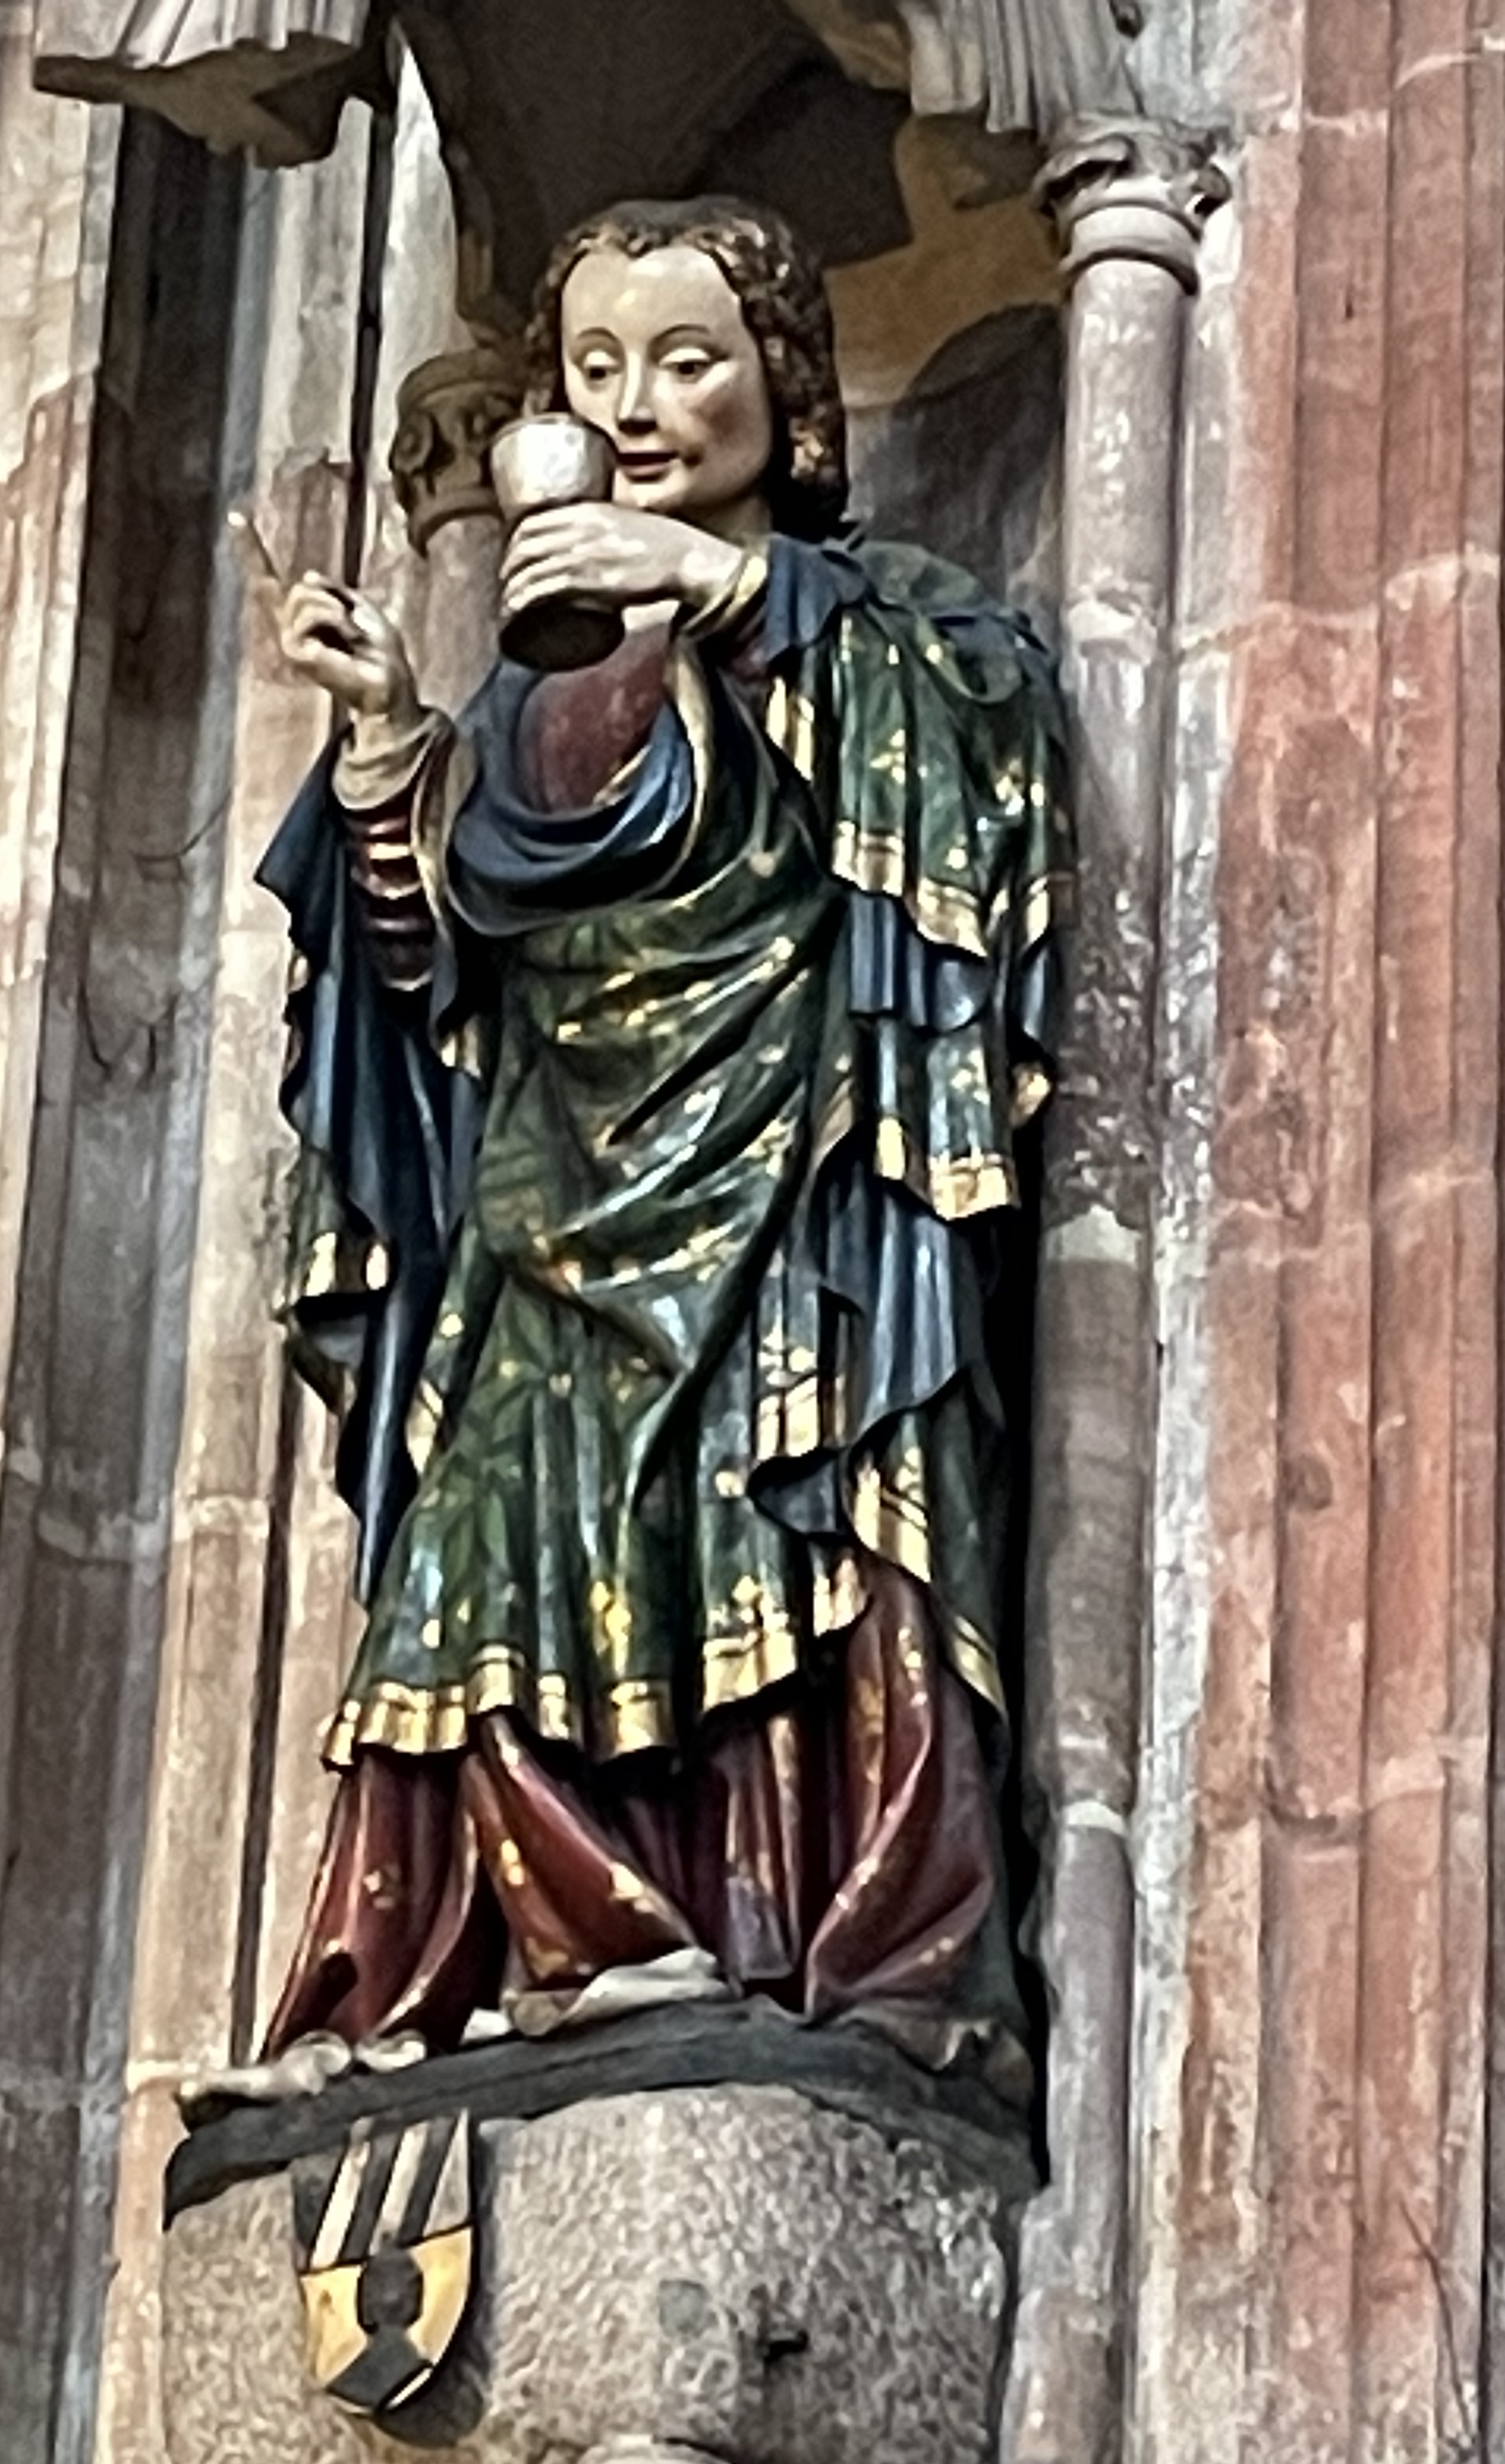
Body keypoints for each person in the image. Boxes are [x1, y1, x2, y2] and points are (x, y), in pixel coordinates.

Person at [255, 195, 1071, 2091]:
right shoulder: (533, 691)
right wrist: (383, 748)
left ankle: (815, 1946)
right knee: (475, 1553)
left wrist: (720, 588)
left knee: (783, 1520)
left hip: (782, 1186)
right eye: (596, 367)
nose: (635, 405)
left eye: (687, 360)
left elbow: (980, 781)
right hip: (550, 1202)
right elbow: (442, 982)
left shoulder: (878, 623)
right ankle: (459, 1973)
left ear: (784, 391)